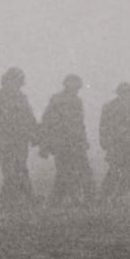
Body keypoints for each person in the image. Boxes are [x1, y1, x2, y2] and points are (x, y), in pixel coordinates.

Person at [0, 66, 39, 207]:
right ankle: (21, 199)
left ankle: (15, 200)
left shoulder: (21, 98)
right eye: (15, 81)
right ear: (6, 81)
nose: (18, 85)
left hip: (20, 140)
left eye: (19, 82)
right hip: (4, 142)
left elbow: (29, 118)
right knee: (11, 172)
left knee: (19, 169)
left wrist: (35, 134)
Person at [38, 75, 94, 205]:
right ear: (67, 85)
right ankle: (69, 201)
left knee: (81, 172)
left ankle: (58, 202)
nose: (76, 89)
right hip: (62, 143)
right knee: (66, 173)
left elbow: (80, 124)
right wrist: (45, 144)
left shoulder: (77, 101)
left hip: (75, 142)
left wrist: (83, 140)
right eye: (74, 85)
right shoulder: (57, 100)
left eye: (77, 86)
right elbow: (47, 122)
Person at [99, 82, 130, 201]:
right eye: (123, 92)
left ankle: (122, 195)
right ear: (119, 93)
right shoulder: (110, 107)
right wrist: (105, 141)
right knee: (115, 170)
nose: (125, 94)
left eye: (127, 92)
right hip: (117, 145)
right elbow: (104, 126)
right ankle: (105, 195)